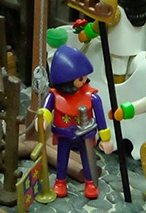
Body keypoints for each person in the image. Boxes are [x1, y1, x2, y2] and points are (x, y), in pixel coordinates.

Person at [40, 45, 113, 199]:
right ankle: (60, 181)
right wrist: (43, 118)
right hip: (64, 135)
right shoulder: (54, 96)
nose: (84, 80)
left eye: (84, 77)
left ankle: (90, 182)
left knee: (87, 159)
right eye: (80, 78)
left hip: (85, 136)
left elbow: (101, 118)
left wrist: (105, 138)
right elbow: (46, 109)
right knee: (62, 158)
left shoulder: (91, 97)